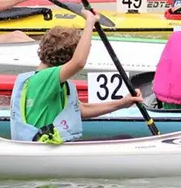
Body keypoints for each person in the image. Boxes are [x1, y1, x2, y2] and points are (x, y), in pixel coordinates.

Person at [10, 13, 143, 143]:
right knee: (125, 139)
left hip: (56, 145)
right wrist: (89, 22)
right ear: (68, 59)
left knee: (123, 138)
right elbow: (79, 62)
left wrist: (121, 104)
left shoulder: (48, 81)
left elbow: (80, 110)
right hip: (46, 148)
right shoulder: (44, 78)